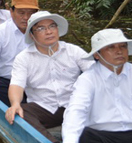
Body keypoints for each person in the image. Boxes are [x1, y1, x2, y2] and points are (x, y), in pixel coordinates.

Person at [5, 11, 94, 143]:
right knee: (21, 112)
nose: (49, 32)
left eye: (52, 26)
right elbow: (16, 84)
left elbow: (95, 73)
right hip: (44, 108)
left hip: (73, 104)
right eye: (41, 28)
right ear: (32, 35)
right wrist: (15, 104)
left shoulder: (73, 50)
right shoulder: (23, 58)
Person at [62, 28, 132, 143]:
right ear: (97, 55)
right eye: (111, 47)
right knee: (86, 135)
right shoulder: (88, 79)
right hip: (101, 136)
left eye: (123, 46)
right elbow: (77, 111)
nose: (119, 51)